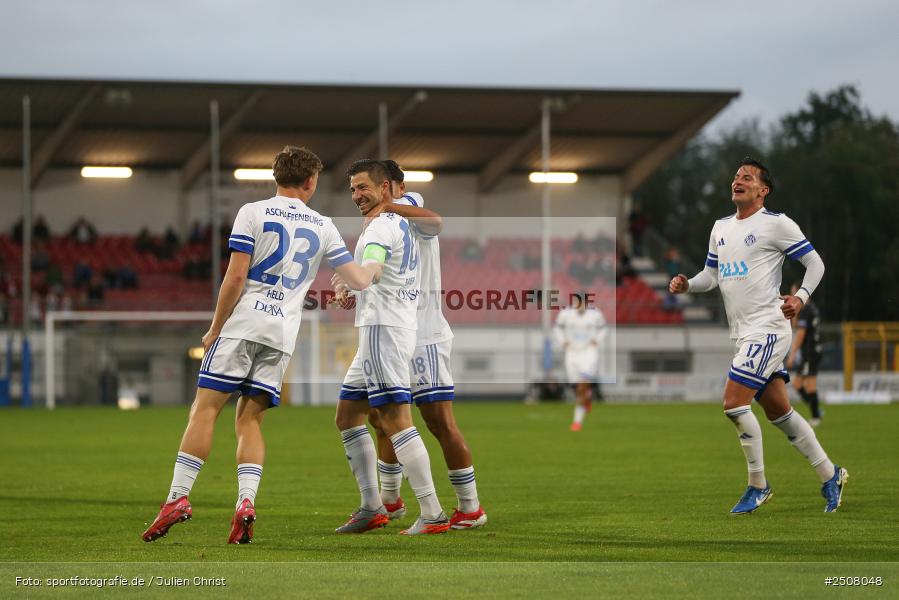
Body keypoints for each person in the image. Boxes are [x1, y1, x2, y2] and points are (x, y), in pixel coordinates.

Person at [141, 146, 382, 544]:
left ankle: (177, 498)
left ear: (277, 177)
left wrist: (216, 327)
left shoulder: (252, 212)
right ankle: (246, 503)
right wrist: (375, 267)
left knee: (204, 411)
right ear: (311, 181)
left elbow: (235, 278)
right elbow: (357, 279)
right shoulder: (323, 225)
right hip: (282, 335)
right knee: (249, 421)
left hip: (244, 323)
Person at [669, 156, 847, 514]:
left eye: (748, 177)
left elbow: (816, 263)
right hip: (744, 333)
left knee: (734, 403)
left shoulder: (775, 224)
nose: (739, 180)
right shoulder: (720, 228)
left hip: (768, 328)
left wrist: (800, 297)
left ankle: (758, 485)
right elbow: (711, 276)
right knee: (780, 413)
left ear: (763, 190)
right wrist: (688, 284)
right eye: (737, 176)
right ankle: (831, 474)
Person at [362, 159, 486, 530]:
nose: (362, 196)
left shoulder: (409, 204)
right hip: (395, 330)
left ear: (393, 186)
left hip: (425, 333)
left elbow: (434, 220)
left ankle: (470, 507)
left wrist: (389, 205)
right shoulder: (384, 223)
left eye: (371, 188)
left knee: (438, 421)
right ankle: (389, 499)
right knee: (381, 415)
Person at [331, 159, 449, 536]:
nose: (356, 195)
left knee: (396, 420)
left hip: (384, 329)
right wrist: (350, 285)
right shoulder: (401, 218)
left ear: (386, 188)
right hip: (381, 326)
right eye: (352, 189)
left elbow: (374, 271)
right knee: (348, 415)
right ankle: (372, 505)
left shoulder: (384, 224)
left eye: (363, 187)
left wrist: (351, 277)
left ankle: (432, 513)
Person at [553, 292, 607, 431]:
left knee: (582, 386)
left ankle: (577, 422)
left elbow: (603, 329)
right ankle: (587, 399)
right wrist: (563, 341)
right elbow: (557, 329)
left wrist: (597, 340)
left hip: (589, 352)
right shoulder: (565, 314)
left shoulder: (595, 314)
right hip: (572, 352)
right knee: (577, 388)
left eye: (582, 302)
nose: (579, 305)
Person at [786, 282, 823, 427]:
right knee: (796, 384)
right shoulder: (809, 309)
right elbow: (796, 326)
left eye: (795, 294)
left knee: (809, 384)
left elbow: (800, 334)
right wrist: (793, 310)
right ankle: (816, 409)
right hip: (811, 351)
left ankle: (815, 416)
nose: (794, 297)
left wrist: (792, 355)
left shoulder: (807, 311)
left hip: (810, 352)